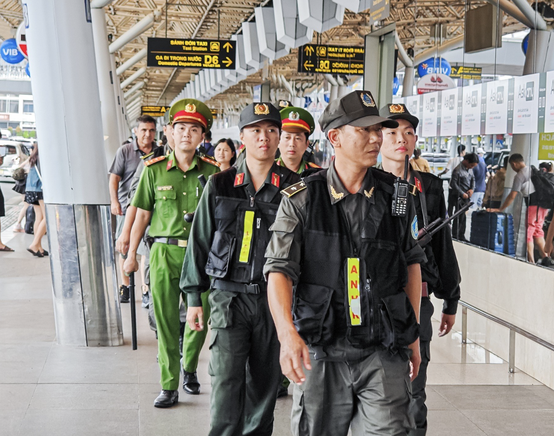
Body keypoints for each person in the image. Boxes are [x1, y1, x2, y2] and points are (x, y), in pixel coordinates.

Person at [264, 90, 425, 436]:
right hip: (322, 350)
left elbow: (411, 264)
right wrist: (286, 334)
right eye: (364, 130)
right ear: (335, 137)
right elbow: (279, 270)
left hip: (381, 349)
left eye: (377, 129)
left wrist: (410, 333)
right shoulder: (302, 200)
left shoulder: (397, 197)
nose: (375, 137)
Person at [180, 102, 299, 435]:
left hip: (273, 302)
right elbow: (199, 241)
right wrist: (193, 297)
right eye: (256, 130)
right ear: (242, 136)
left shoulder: (295, 188)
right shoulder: (219, 184)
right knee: (226, 383)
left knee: (264, 387)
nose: (265, 138)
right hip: (227, 300)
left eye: (272, 131)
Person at [123, 99, 220, 408]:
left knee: (198, 318)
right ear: (168, 132)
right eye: (181, 128)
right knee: (164, 319)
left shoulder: (214, 174)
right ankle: (169, 384)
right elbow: (142, 214)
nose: (186, 134)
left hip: (201, 255)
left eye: (194, 129)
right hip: (163, 252)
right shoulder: (153, 170)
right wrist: (131, 254)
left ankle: (189, 367)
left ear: (203, 136)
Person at [379, 103, 459, 436]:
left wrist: (451, 298)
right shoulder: (366, 183)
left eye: (408, 132)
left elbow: (442, 245)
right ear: (377, 138)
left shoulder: (429, 187)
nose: (402, 139)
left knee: (415, 386)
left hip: (417, 298)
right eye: (392, 132)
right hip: (374, 297)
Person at [109, 115, 161, 303]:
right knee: (125, 248)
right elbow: (114, 178)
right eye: (144, 130)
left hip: (150, 208)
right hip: (127, 208)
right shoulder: (125, 151)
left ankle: (145, 288)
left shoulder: (160, 151)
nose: (148, 134)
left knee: (147, 249)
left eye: (151, 130)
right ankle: (126, 286)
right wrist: (115, 202)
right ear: (136, 131)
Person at [489, 154, 546, 263]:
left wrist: (501, 209)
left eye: (512, 166)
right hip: (542, 206)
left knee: (529, 231)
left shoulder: (520, 175)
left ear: (514, 164)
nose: (513, 169)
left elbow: (512, 196)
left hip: (533, 205)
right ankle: (545, 256)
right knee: (538, 231)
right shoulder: (532, 169)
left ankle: (531, 260)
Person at [276, 106, 321, 174]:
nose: (292, 144)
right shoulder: (265, 171)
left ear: (307, 144)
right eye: (287, 137)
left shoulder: (316, 174)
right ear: (278, 141)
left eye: (298, 138)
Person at [448, 153, 478, 241]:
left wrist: (472, 189)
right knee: (458, 217)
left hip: (466, 197)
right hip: (458, 197)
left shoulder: (470, 170)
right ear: (466, 161)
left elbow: (473, 179)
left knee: (463, 217)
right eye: (471, 165)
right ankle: (456, 235)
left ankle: (461, 235)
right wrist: (462, 194)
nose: (472, 167)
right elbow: (453, 184)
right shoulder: (457, 170)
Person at [24, 143, 47, 257]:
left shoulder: (33, 157)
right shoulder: (43, 157)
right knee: (47, 217)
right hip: (40, 189)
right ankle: (34, 244)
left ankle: (39, 247)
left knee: (39, 217)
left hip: (30, 189)